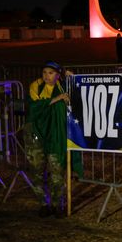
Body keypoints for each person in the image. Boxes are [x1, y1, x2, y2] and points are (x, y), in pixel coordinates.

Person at [25, 61, 74, 218]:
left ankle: (56, 204)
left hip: (54, 136)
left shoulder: (62, 86)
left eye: (51, 73)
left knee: (57, 171)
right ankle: (43, 203)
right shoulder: (36, 86)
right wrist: (57, 99)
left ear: (58, 75)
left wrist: (73, 79)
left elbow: (74, 99)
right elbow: (35, 107)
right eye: (44, 72)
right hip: (35, 135)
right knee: (37, 171)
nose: (46, 76)